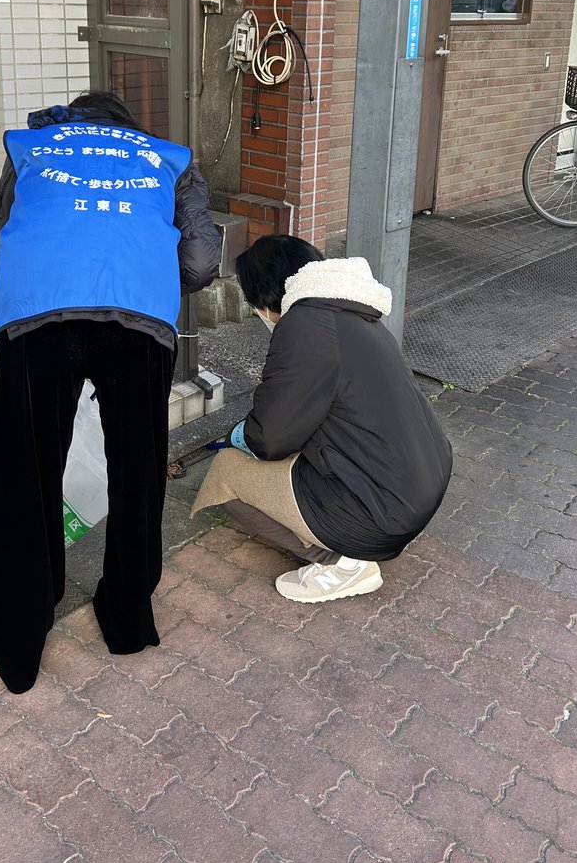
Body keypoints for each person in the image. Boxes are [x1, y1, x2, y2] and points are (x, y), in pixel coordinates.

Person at [0, 92, 220, 693]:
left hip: (38, 312)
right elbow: (199, 265)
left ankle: (19, 636)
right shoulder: (169, 158)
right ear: (127, 127)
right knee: (137, 471)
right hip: (137, 316)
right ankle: (126, 620)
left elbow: (0, 245)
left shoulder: (33, 147)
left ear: (74, 120)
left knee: (26, 471)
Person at [192, 235, 452, 602]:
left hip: (381, 513)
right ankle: (345, 539)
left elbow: (270, 438)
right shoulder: (355, 313)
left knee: (225, 472)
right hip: (419, 486)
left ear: (266, 298)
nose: (257, 315)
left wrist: (239, 436)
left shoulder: (303, 325)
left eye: (254, 306)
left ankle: (344, 563)